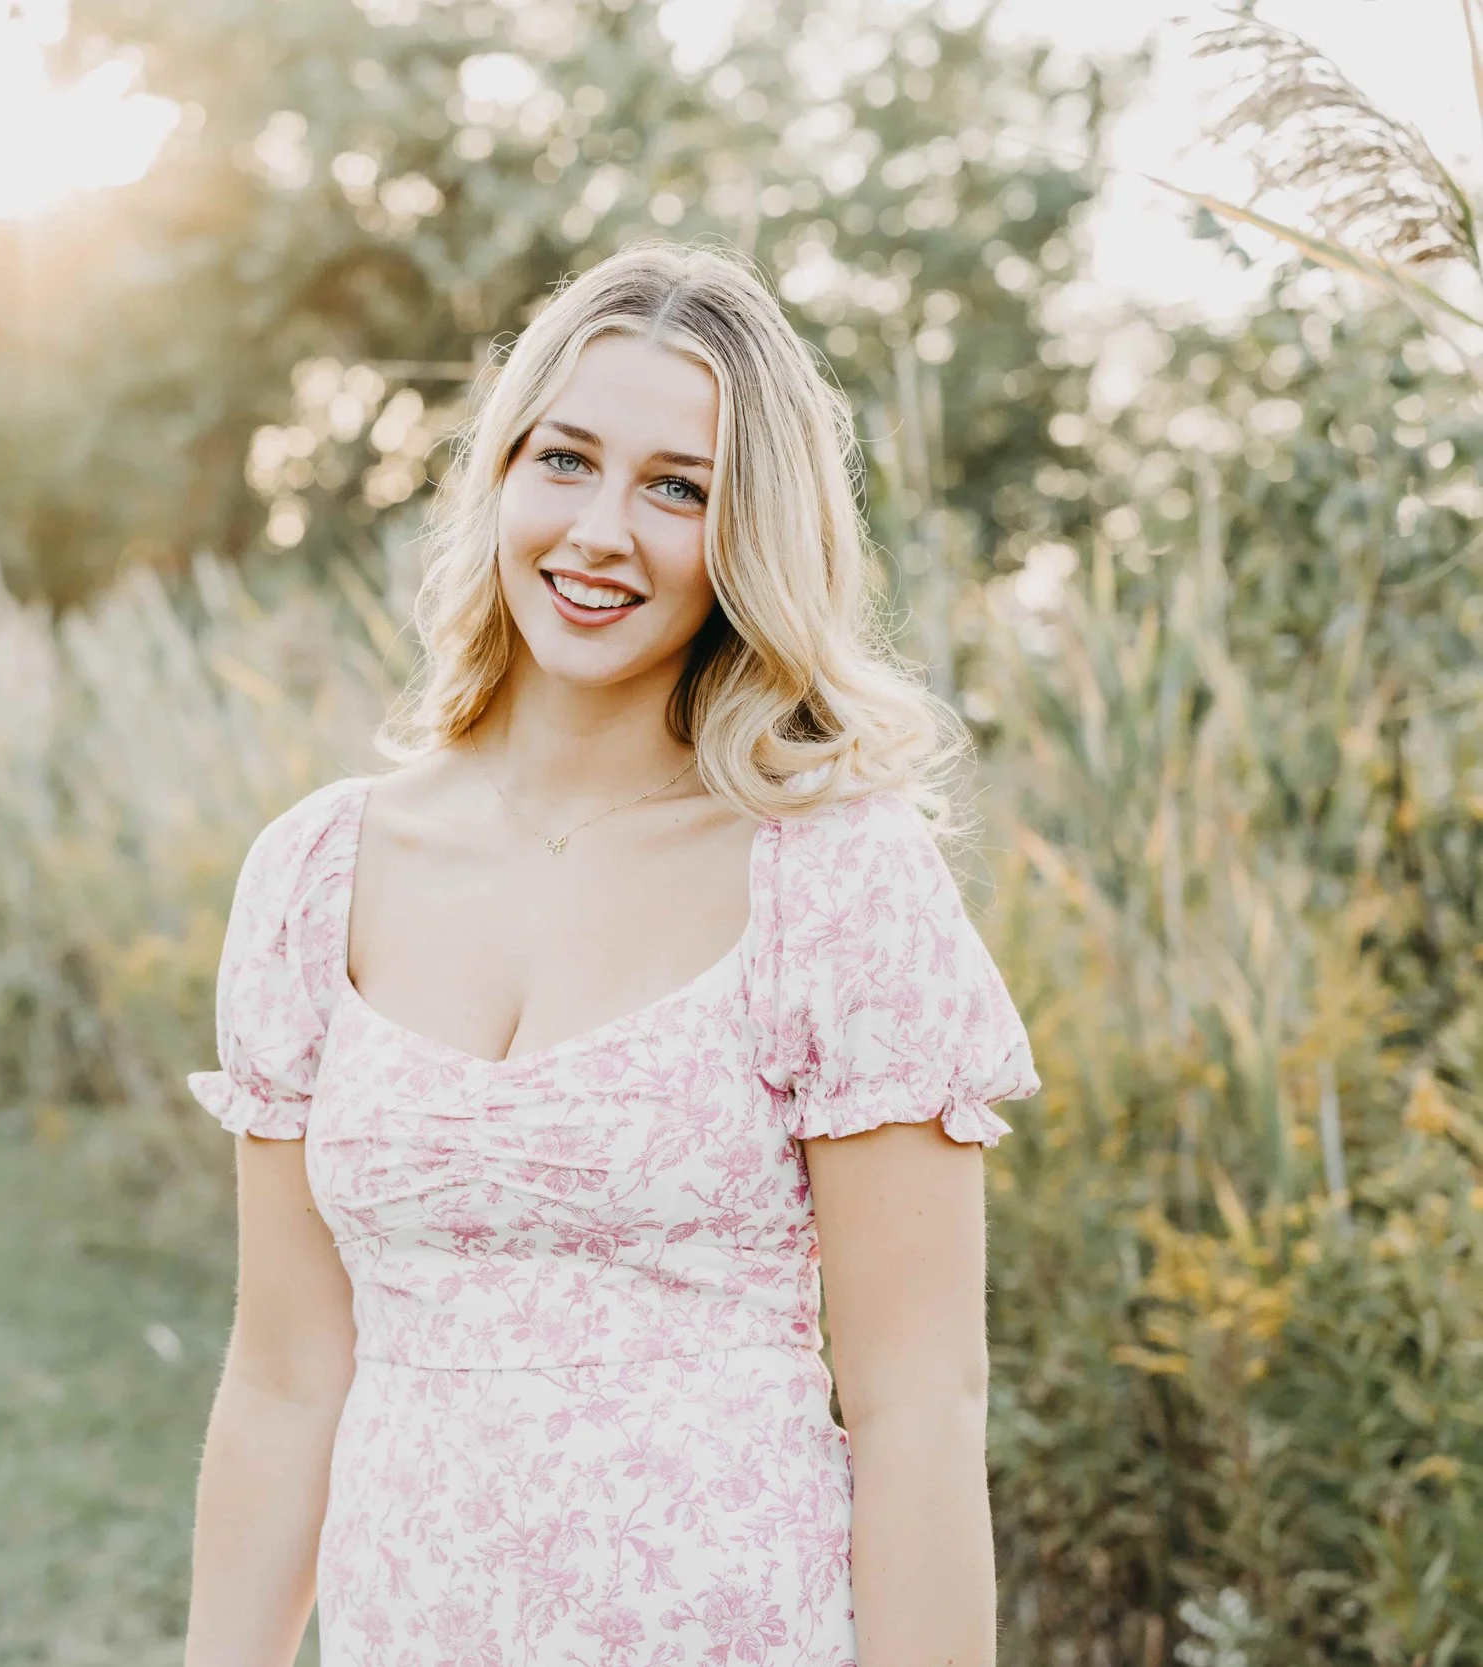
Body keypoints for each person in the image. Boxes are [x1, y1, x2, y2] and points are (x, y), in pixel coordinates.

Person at [179, 239, 1041, 1667]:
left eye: (678, 489)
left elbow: (918, 1400)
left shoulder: (831, 874)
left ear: (750, 536)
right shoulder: (315, 874)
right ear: (501, 477)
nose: (600, 532)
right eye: (565, 460)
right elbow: (282, 1376)